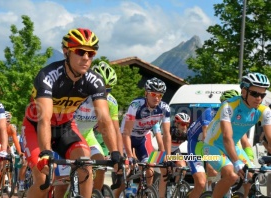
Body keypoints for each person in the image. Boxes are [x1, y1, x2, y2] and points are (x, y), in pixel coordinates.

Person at [22, 28, 121, 198]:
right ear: (66, 51)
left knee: (86, 166)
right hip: (36, 128)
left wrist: (115, 154)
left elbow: (104, 120)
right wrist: (46, 153)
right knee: (45, 180)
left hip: (65, 128)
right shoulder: (48, 76)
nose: (86, 58)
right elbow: (44, 119)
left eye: (91, 54)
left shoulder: (95, 81)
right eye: (80, 52)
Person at [203, 72, 271, 198]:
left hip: (234, 146)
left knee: (252, 176)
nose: (259, 99)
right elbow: (226, 137)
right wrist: (236, 162)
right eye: (255, 94)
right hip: (213, 146)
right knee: (231, 175)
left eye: (262, 95)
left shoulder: (264, 111)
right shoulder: (229, 106)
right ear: (244, 92)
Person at [73, 61, 123, 192]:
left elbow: (115, 130)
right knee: (63, 181)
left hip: (88, 136)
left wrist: (118, 155)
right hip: (68, 135)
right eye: (101, 87)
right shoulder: (79, 96)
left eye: (108, 89)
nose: (104, 92)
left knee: (101, 167)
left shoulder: (111, 103)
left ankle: (93, 194)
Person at [121, 77, 171, 198]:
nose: (157, 98)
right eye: (153, 94)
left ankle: (145, 193)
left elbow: (166, 134)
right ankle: (117, 194)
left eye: (160, 95)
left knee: (150, 169)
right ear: (146, 94)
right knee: (127, 169)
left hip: (141, 139)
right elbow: (126, 133)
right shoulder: (136, 105)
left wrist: (168, 157)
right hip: (126, 138)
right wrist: (130, 155)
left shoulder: (164, 108)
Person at [187, 89, 239, 198]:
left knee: (228, 175)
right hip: (196, 144)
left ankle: (211, 191)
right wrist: (210, 161)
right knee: (201, 183)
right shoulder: (209, 112)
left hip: (213, 145)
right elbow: (206, 137)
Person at [170, 113, 190, 183]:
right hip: (165, 151)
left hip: (175, 151)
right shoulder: (171, 131)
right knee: (167, 170)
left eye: (186, 124)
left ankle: (175, 187)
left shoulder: (186, 133)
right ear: (176, 124)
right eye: (182, 124)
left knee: (183, 168)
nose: (185, 127)